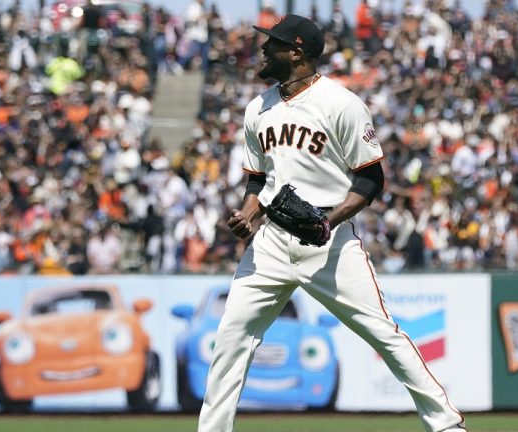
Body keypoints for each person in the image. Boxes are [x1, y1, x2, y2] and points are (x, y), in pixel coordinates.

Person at [196, 14, 467, 432]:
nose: (264, 49)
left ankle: (447, 426)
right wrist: (248, 214)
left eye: (273, 43)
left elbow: (371, 178)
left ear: (296, 52)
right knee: (230, 339)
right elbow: (258, 179)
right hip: (271, 241)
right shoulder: (257, 108)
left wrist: (330, 219)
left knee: (384, 335)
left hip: (330, 241)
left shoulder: (342, 104)